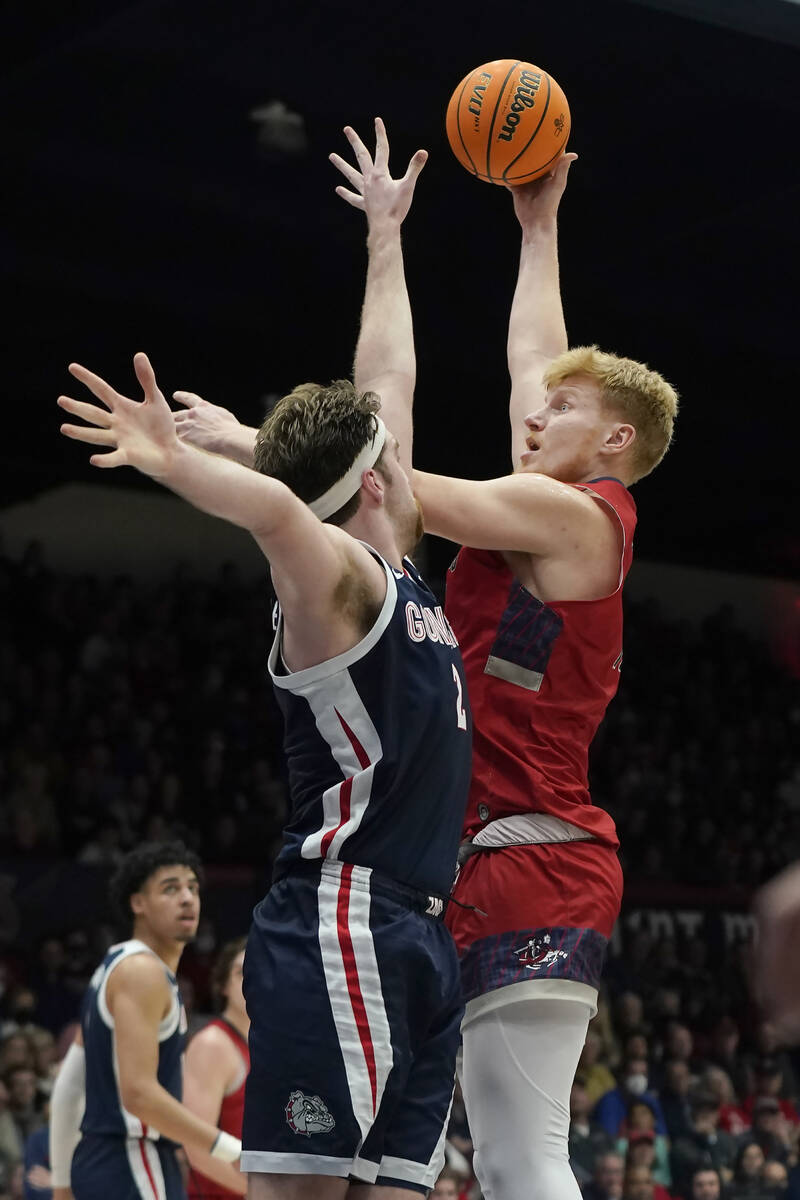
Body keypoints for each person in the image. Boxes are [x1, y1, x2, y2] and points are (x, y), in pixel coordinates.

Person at [172, 116, 678, 1200]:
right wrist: (536, 231)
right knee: (452, 1163)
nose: (537, 415)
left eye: (565, 413)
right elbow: (527, 367)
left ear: (615, 443)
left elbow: (385, 479)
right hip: (464, 862)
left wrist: (248, 450)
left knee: (518, 1154)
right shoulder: (547, 503)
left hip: (524, 846)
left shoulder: (583, 517)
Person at [58, 358, 473, 1198]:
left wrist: (386, 236)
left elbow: (390, 372)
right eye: (396, 449)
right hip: (346, 916)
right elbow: (284, 512)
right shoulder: (336, 577)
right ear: (377, 479)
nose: (407, 453)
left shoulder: (405, 576)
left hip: (422, 929)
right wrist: (176, 459)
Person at [48, 840, 244, 1200]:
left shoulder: (113, 966)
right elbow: (139, 1094)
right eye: (170, 889)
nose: (187, 898)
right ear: (138, 903)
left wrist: (61, 1182)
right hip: (133, 1160)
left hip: (105, 1164)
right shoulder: (143, 973)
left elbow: (69, 1086)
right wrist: (230, 1148)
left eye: (192, 888)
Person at [185, 938, 249, 1198]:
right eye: (242, 973)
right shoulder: (213, 1045)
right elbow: (196, 1147)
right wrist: (262, 1193)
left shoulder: (273, 1045)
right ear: (223, 985)